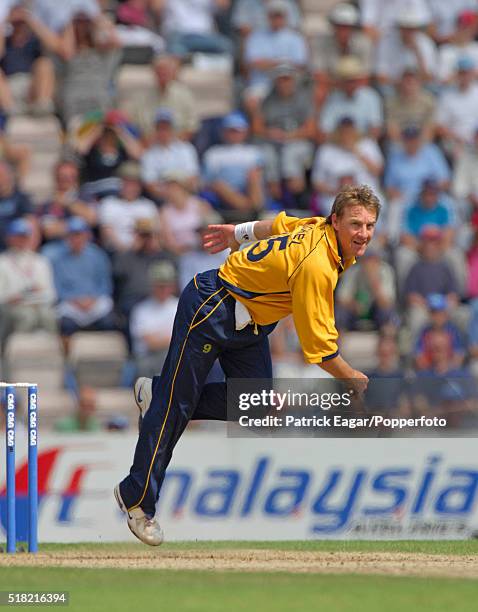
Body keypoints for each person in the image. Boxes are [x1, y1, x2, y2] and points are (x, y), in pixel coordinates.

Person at [114, 184, 379, 545]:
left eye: (368, 225)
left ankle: (158, 391)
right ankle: (137, 500)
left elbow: (277, 225)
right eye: (355, 224)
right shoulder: (317, 264)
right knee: (173, 409)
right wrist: (353, 377)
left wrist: (235, 232)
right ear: (335, 221)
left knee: (259, 413)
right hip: (212, 307)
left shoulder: (316, 227)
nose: (362, 233)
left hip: (250, 323)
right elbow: (319, 349)